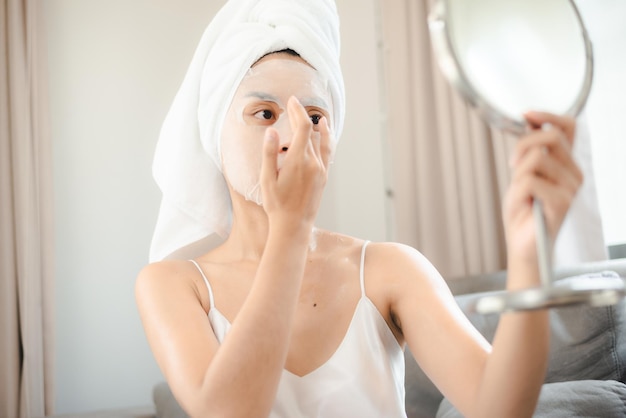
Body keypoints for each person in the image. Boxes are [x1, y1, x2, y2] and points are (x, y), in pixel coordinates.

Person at [135, 0, 583, 417]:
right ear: (215, 133)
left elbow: (499, 406)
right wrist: (290, 231)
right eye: (265, 114)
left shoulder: (391, 268)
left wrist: (528, 259)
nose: (296, 137)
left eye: (314, 117)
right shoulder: (171, 285)